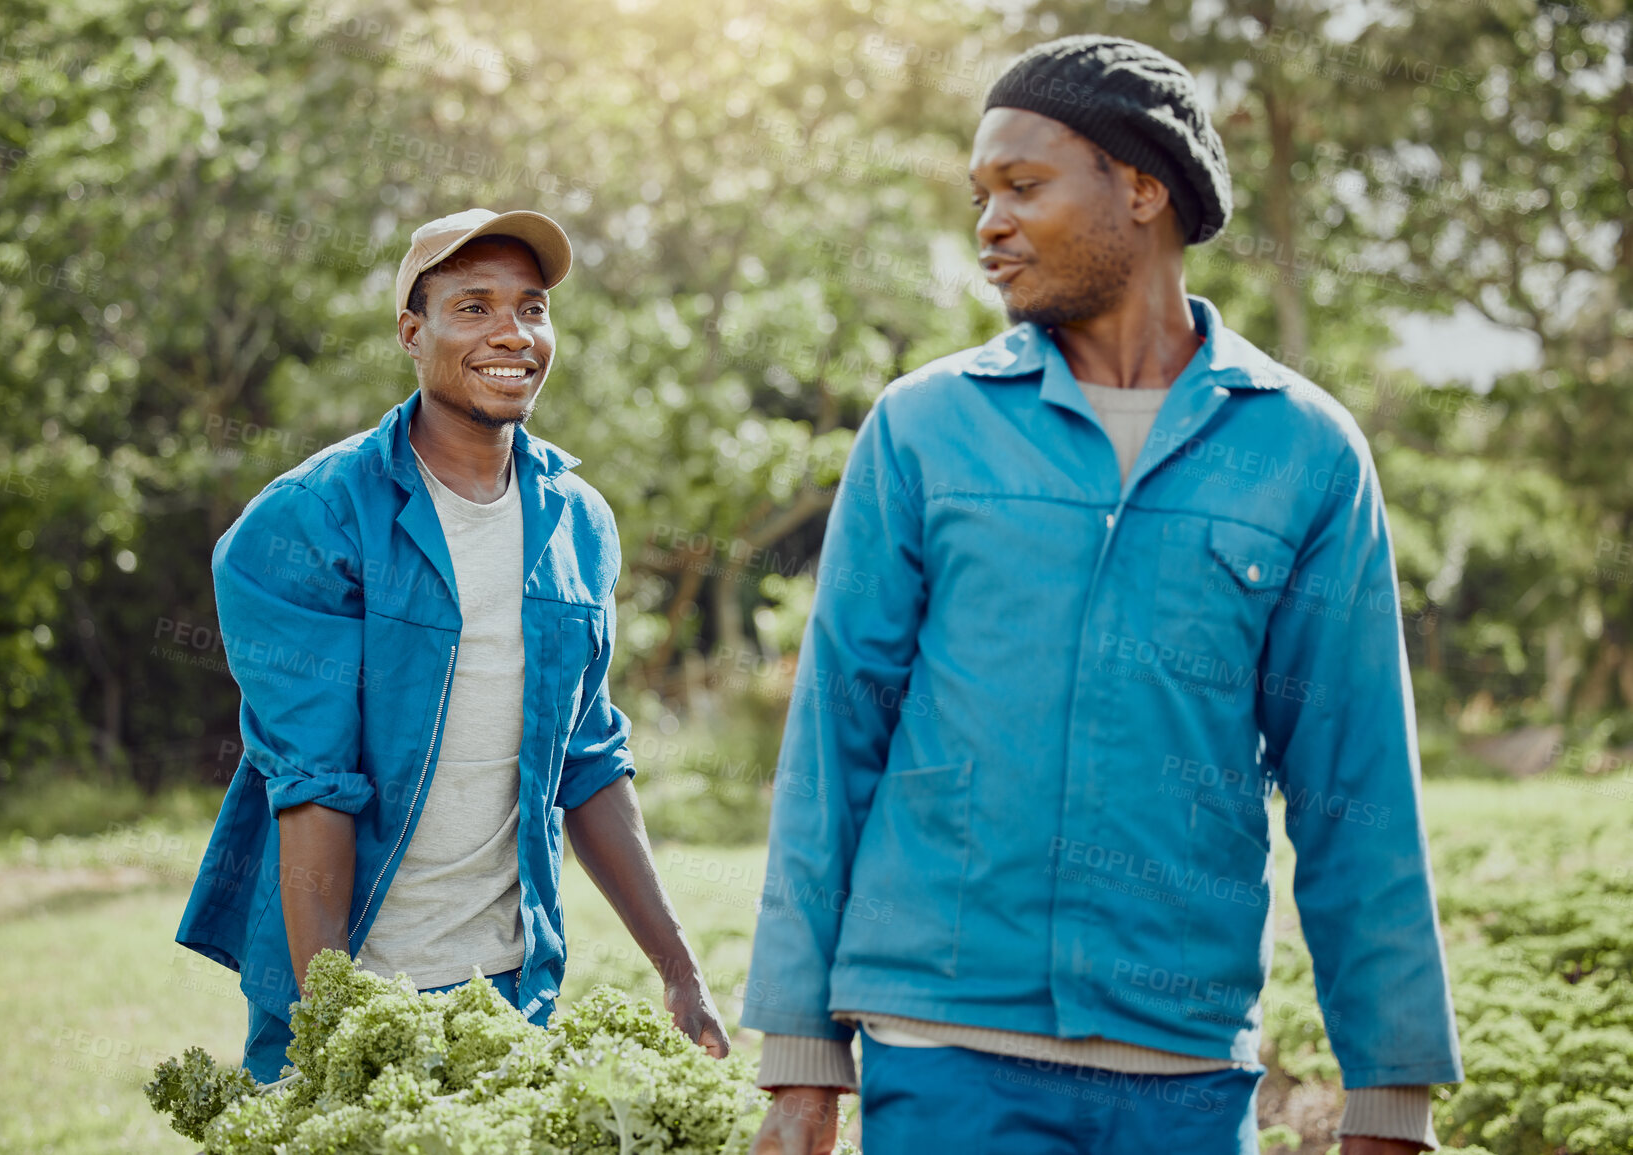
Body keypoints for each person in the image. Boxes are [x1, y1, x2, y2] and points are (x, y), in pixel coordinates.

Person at [743, 36, 1460, 1155]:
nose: (990, 224)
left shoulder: (1304, 450)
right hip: (942, 1054)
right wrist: (799, 1062)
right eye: (980, 195)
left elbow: (1355, 776)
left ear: (1141, 187)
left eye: (1023, 187)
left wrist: (1393, 1093)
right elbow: (836, 741)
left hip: (1182, 1067)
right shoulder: (925, 428)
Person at [177, 207, 729, 1082]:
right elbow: (312, 783)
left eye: (532, 307)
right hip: (348, 975)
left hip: (510, 990)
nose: (511, 332)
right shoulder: (308, 521)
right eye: (472, 307)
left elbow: (587, 757)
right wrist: (333, 1021)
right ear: (412, 330)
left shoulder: (577, 522)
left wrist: (680, 969)